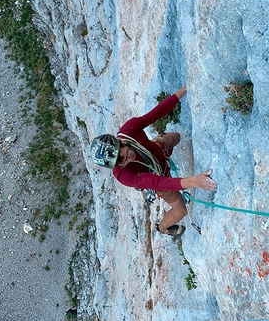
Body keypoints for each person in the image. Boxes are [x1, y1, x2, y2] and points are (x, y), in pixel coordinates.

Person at [90, 86, 217, 237]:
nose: (128, 159)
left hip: (159, 148)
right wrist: (194, 181)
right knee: (181, 211)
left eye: (126, 154)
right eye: (121, 162)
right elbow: (158, 183)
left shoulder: (129, 130)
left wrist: (184, 90)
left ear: (121, 143)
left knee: (176, 136)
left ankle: (162, 147)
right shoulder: (123, 175)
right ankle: (162, 228)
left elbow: (157, 113)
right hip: (158, 178)